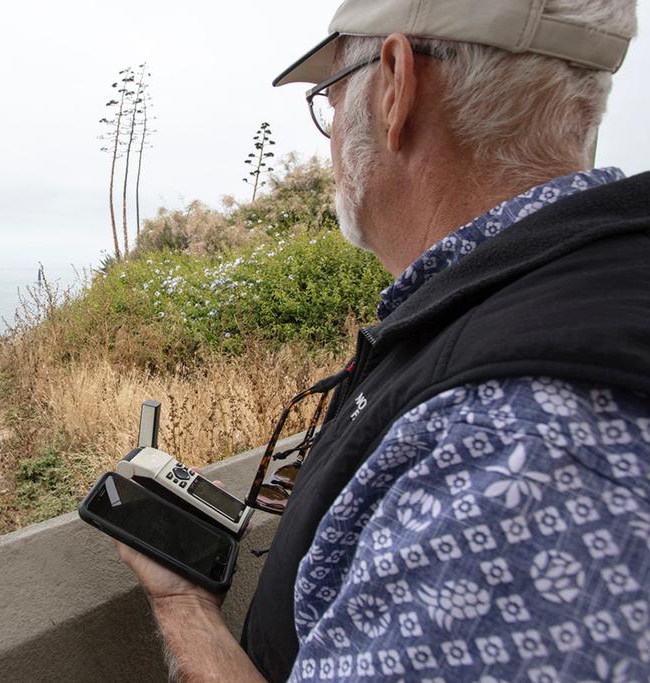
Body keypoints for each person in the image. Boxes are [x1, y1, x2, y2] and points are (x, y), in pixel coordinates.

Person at [117, 0, 650, 680]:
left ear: (396, 86)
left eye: (332, 97)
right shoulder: (553, 301)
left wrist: (184, 606)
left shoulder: (518, 446)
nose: (331, 133)